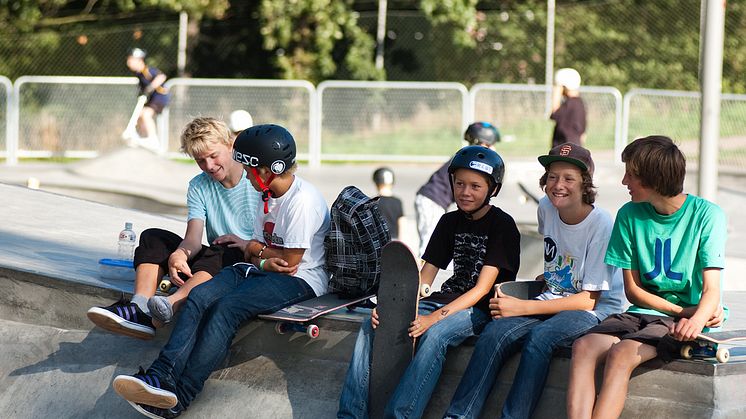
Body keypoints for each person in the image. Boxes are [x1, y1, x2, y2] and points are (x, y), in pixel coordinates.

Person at [110, 124, 330, 418]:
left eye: (250, 171)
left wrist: (258, 252)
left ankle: (180, 396)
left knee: (226, 308)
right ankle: (159, 377)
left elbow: (288, 263)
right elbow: (256, 251)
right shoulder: (267, 196)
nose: (247, 176)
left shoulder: (301, 202)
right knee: (199, 296)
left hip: (302, 280)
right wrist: (259, 255)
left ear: (266, 172)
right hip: (261, 271)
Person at [337, 145, 521, 419]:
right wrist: (391, 307)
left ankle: (401, 414)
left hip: (480, 309)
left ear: (492, 190)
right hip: (446, 298)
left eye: (475, 186)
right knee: (371, 324)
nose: (465, 192)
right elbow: (425, 277)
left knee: (436, 335)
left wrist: (434, 319)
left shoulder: (502, 225)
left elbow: (482, 290)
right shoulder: (449, 221)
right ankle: (351, 414)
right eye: (459, 184)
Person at [444, 142, 625, 419]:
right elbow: (559, 255)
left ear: (585, 184)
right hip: (553, 295)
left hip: (593, 310)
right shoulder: (546, 207)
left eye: (568, 179)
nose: (558, 185)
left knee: (539, 339)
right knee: (493, 333)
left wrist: (522, 307)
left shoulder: (601, 224)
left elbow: (589, 299)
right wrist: (546, 279)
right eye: (552, 177)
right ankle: (458, 415)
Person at [566, 135, 727, 419]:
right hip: (646, 312)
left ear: (654, 180)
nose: (624, 181)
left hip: (681, 323)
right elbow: (633, 292)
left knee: (621, 354)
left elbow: (712, 291)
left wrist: (695, 321)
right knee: (583, 346)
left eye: (631, 174)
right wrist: (684, 311)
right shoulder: (628, 214)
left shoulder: (708, 216)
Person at [87, 117, 261, 339]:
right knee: (153, 237)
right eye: (200, 161)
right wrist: (179, 255)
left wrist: (248, 244)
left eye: (213, 156)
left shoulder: (254, 179)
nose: (208, 166)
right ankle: (139, 307)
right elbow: (193, 239)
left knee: (225, 250)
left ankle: (169, 305)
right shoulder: (199, 185)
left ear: (230, 145)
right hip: (213, 260)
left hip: (243, 261)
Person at [415, 122, 500, 256]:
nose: (493, 149)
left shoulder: (467, 158)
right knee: (429, 241)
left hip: (433, 200)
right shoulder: (468, 161)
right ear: (481, 143)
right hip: (431, 200)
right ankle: (422, 269)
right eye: (490, 145)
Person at [125, 47, 170, 149]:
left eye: (130, 60)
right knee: (139, 115)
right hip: (152, 99)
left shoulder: (147, 70)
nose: (128, 63)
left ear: (139, 60)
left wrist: (150, 88)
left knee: (146, 114)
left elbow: (161, 76)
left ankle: (153, 140)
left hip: (159, 97)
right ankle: (141, 138)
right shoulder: (139, 74)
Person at [550, 68, 586, 148]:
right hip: (574, 148)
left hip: (565, 150)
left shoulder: (570, 104)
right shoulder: (579, 103)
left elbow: (554, 113)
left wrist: (557, 92)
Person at [372, 167, 404, 239]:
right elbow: (402, 223)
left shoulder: (373, 202)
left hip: (379, 240)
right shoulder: (397, 202)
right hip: (393, 241)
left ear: (376, 183)